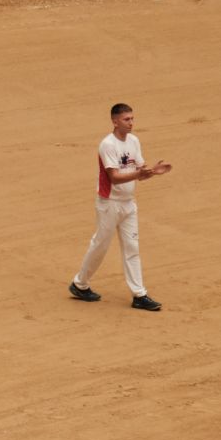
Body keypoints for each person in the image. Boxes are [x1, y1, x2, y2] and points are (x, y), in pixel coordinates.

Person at [67, 102, 170, 311]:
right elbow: (114, 177)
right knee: (100, 245)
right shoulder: (108, 145)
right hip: (109, 204)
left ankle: (139, 295)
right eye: (126, 119)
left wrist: (151, 172)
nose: (131, 123)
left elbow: (139, 171)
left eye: (132, 118)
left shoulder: (134, 141)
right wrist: (139, 173)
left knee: (132, 247)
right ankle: (80, 284)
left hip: (128, 203)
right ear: (115, 122)